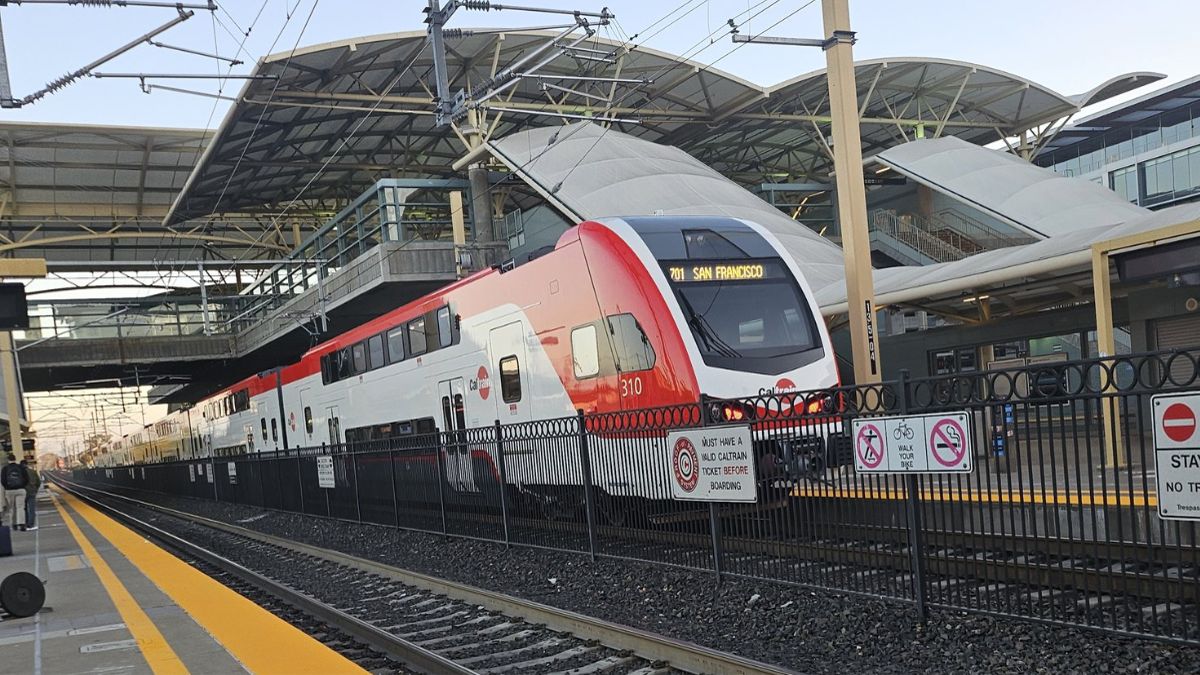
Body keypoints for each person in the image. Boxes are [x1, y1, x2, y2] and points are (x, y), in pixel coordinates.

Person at [0, 454, 27, 531]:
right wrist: (22, 486)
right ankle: (21, 524)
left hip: (9, 491)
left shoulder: (5, 469)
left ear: (8, 460)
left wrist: (7, 488)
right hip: (20, 490)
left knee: (12, 508)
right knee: (20, 507)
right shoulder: (20, 467)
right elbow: (26, 478)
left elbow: (3, 481)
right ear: (15, 459)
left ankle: (14, 524)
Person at [20, 459, 39, 531]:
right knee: (32, 509)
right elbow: (38, 482)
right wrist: (35, 490)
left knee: (23, 509)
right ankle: (31, 525)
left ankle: (25, 523)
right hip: (31, 492)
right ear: (27, 464)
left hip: (22, 492)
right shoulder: (33, 472)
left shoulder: (20, 472)